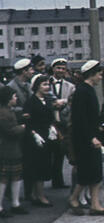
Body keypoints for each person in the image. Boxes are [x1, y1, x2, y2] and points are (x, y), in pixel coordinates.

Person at [69, 60, 104, 216]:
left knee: (94, 172)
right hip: (85, 139)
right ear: (92, 74)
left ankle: (95, 204)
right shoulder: (82, 91)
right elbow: (80, 119)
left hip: (91, 136)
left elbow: (91, 116)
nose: (101, 77)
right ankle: (75, 198)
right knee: (87, 172)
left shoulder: (88, 90)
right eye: (99, 74)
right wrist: (91, 137)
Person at [23, 74, 55, 207]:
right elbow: (27, 121)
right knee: (38, 167)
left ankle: (38, 194)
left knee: (44, 165)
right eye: (44, 84)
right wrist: (34, 133)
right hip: (35, 138)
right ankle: (39, 196)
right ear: (37, 86)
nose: (47, 87)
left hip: (46, 135)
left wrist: (52, 127)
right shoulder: (31, 101)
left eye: (48, 84)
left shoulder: (47, 100)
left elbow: (49, 116)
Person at [0, 87, 28, 217]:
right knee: (4, 179)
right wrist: (22, 128)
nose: (16, 98)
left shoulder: (8, 111)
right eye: (14, 96)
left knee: (15, 177)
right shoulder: (3, 113)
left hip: (12, 149)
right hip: (6, 149)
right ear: (8, 98)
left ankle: (15, 203)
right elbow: (10, 131)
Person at [48, 58, 74, 188]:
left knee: (61, 152)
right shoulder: (46, 83)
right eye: (58, 68)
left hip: (63, 122)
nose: (60, 71)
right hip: (49, 122)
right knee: (51, 153)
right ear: (53, 69)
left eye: (63, 69)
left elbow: (72, 102)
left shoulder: (70, 86)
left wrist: (63, 105)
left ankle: (58, 181)